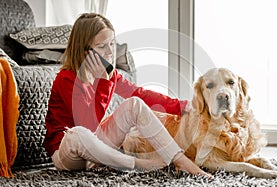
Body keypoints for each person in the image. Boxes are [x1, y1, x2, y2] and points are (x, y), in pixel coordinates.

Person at [43, 13, 211, 176]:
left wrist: (181, 106)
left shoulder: (110, 74)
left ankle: (179, 160)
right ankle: (136, 163)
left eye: (112, 44)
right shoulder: (67, 79)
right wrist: (102, 83)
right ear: (85, 52)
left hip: (98, 153)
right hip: (69, 155)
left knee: (135, 103)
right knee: (78, 133)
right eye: (102, 46)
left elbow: (141, 94)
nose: (110, 52)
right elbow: (87, 125)